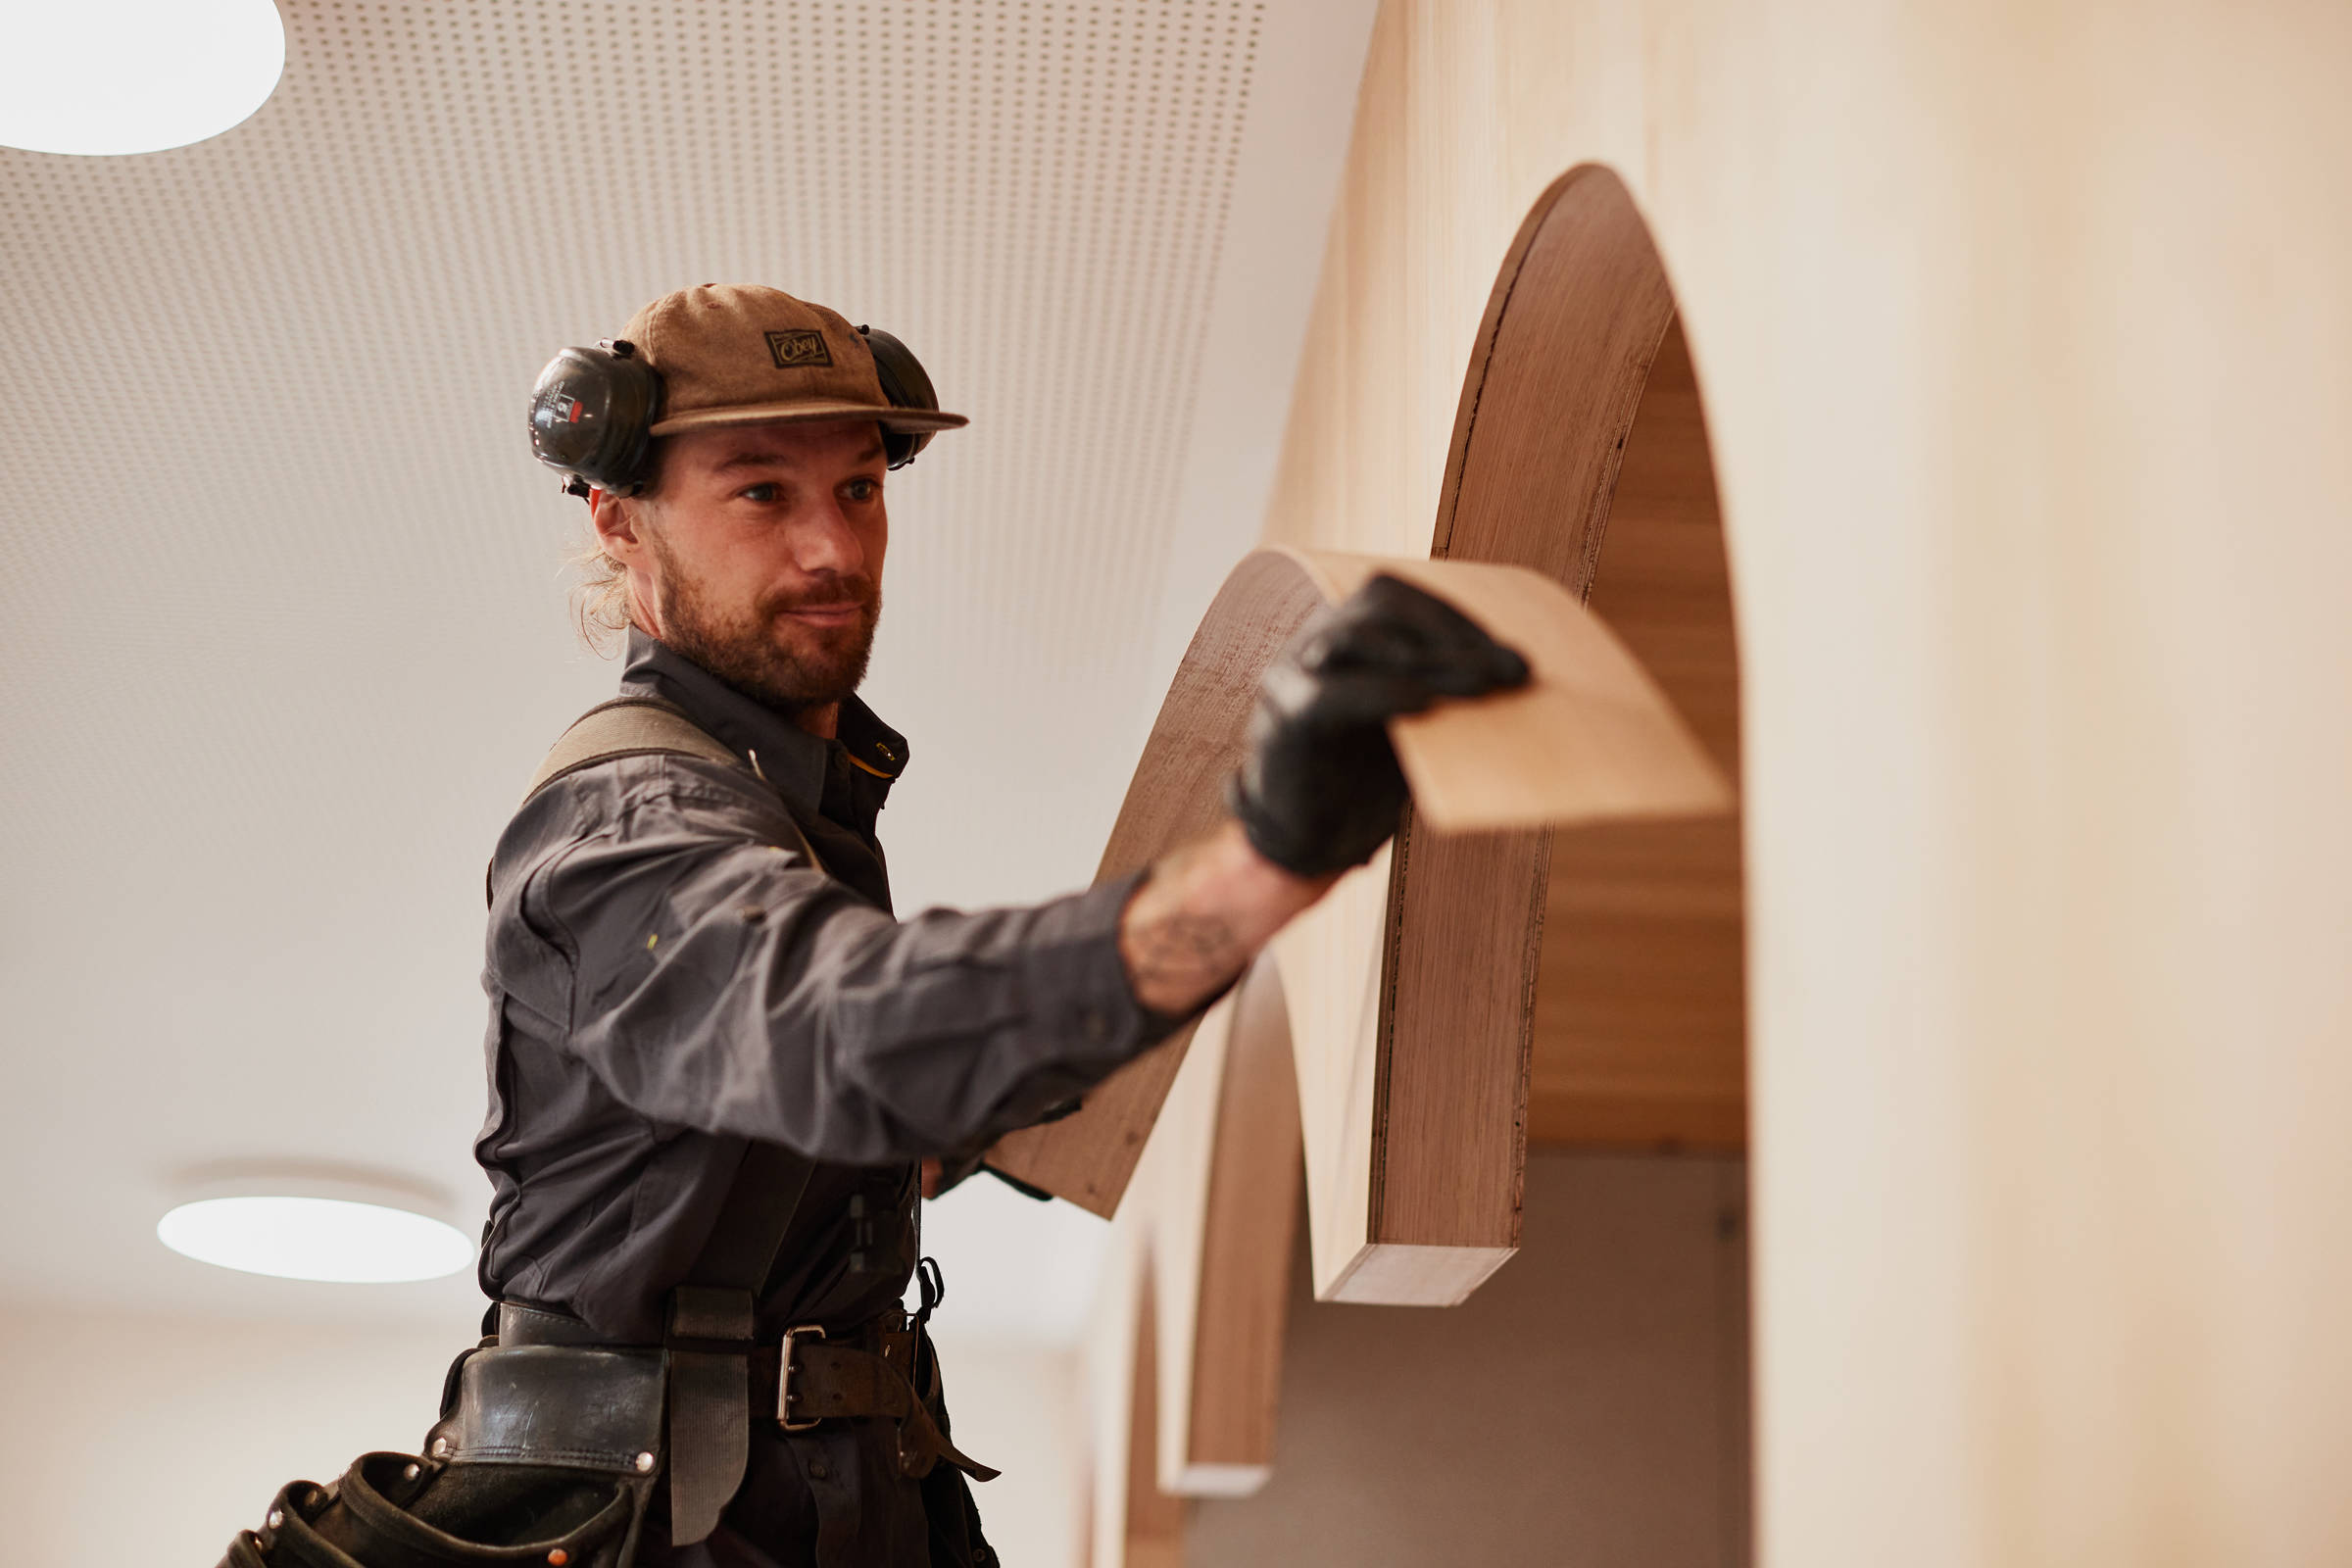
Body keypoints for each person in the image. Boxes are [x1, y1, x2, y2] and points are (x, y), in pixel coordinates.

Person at [219, 284, 1526, 1568]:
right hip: (653, 1526)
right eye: (760, 492)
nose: (832, 549)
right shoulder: (627, 828)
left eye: (859, 487)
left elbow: (775, 1125)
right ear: (617, 516)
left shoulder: (793, 802)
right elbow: (833, 1025)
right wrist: (1261, 869)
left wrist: (964, 1132)